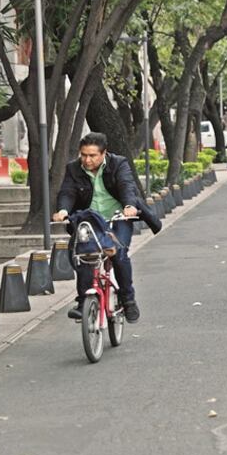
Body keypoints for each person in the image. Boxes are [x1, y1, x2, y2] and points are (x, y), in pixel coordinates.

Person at [52, 132, 160, 323]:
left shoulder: (118, 164)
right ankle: (83, 302)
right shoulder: (73, 168)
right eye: (84, 155)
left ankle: (128, 300)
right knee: (84, 255)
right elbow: (67, 192)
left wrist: (129, 206)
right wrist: (62, 210)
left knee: (118, 254)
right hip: (90, 221)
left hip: (118, 218)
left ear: (104, 153)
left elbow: (127, 186)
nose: (87, 160)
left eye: (92, 155)